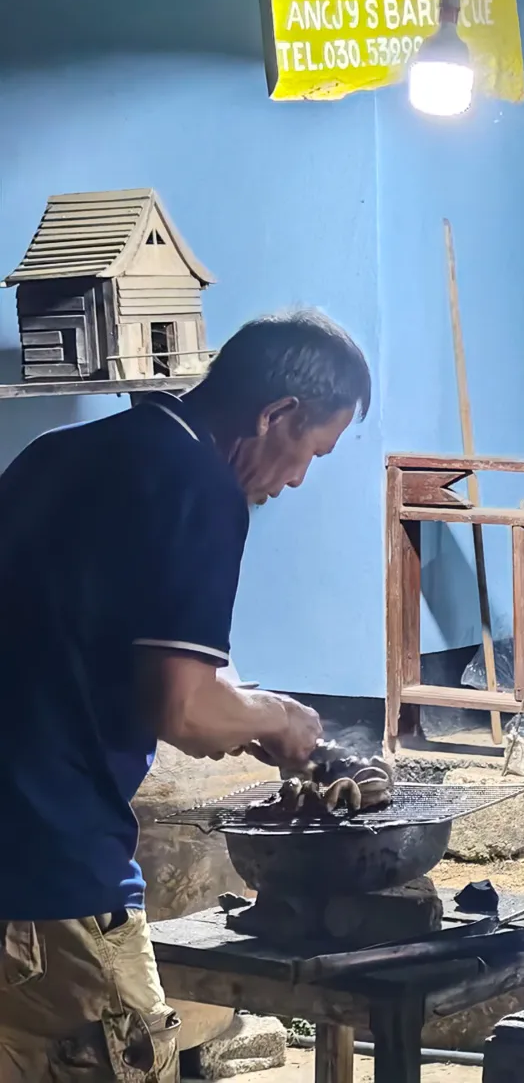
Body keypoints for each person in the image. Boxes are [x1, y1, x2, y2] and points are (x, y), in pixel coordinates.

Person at [0, 308, 370, 1082]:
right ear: (278, 415)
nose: (297, 478)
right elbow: (183, 708)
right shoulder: (202, 486)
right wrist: (279, 718)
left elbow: (111, 650)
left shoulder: (56, 456)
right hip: (50, 871)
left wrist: (250, 705)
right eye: (309, 452)